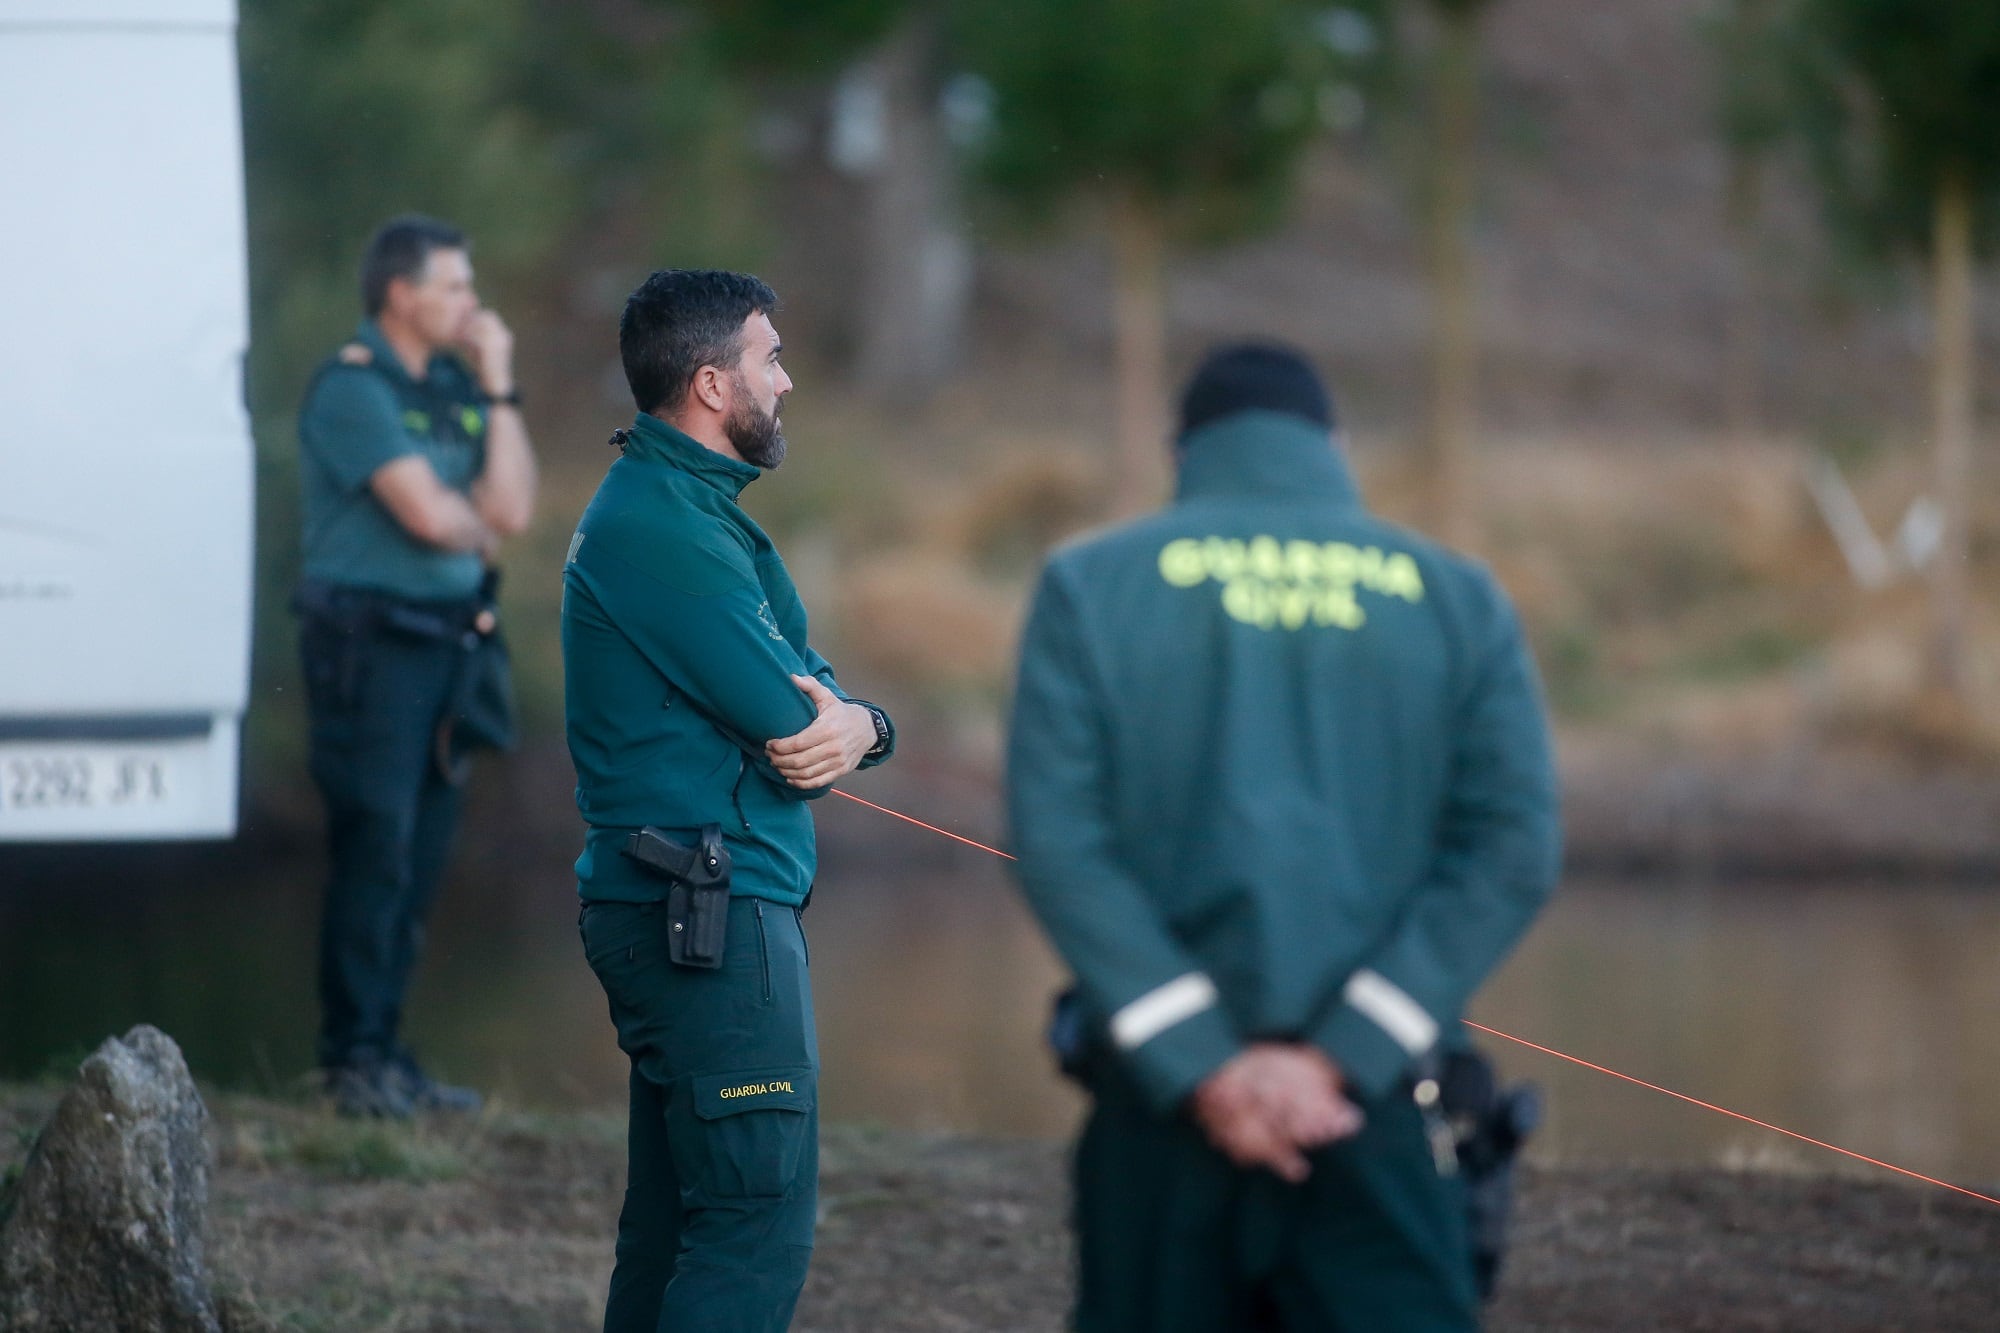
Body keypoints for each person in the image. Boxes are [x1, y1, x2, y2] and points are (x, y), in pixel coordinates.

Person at [1005, 344, 1561, 1331]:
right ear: (1332, 446)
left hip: (1157, 1112)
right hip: (1378, 1104)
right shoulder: (1455, 595)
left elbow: (1056, 840)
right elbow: (1512, 844)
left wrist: (1201, 1062)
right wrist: (1342, 1055)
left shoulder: (1089, 583)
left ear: (1182, 453)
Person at [562, 269, 896, 1332]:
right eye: (770, 357)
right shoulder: (662, 524)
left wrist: (865, 723)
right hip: (705, 915)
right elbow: (789, 708)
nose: (786, 381)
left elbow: (812, 676)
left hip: (686, 910)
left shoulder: (700, 513)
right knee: (754, 1227)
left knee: (672, 1232)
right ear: (711, 383)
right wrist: (845, 724)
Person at [294, 214, 538, 1118]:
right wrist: (466, 514)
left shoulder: (454, 385)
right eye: (455, 288)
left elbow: (505, 509)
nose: (472, 305)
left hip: (449, 644)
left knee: (425, 853)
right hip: (370, 647)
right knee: (377, 845)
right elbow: (434, 521)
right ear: (401, 293)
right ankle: (350, 1058)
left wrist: (499, 386)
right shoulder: (351, 389)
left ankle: (390, 1054)